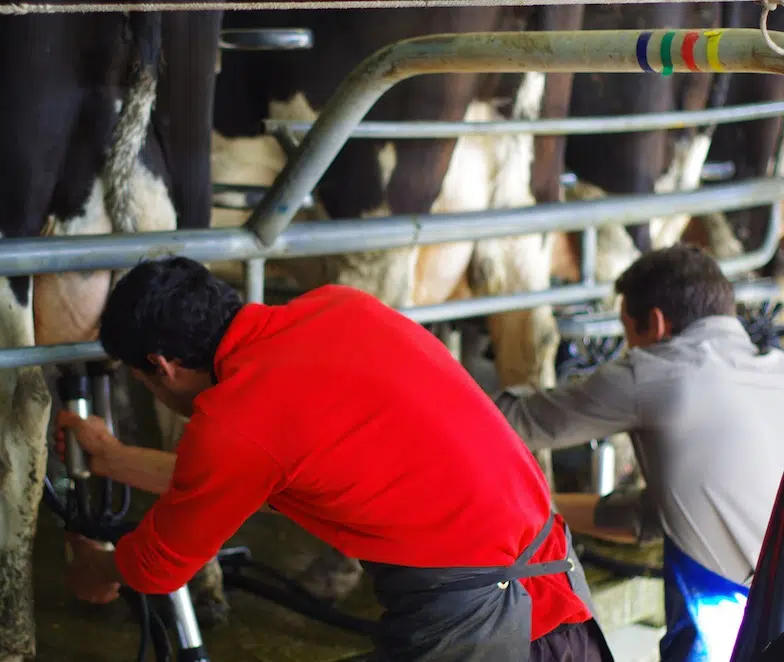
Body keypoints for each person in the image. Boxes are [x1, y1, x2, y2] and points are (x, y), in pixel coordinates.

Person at [57, 255, 613, 661]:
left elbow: (159, 566)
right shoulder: (340, 307)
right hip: (556, 581)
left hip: (481, 620)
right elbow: (241, 479)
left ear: (162, 366)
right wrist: (112, 458)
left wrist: (100, 569)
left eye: (144, 382)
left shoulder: (235, 417)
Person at [493, 244, 784, 662]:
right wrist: (549, 510)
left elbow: (517, 422)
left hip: (739, 615)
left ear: (657, 324)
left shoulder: (654, 373)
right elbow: (657, 515)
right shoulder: (776, 369)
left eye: (629, 335)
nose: (631, 351)